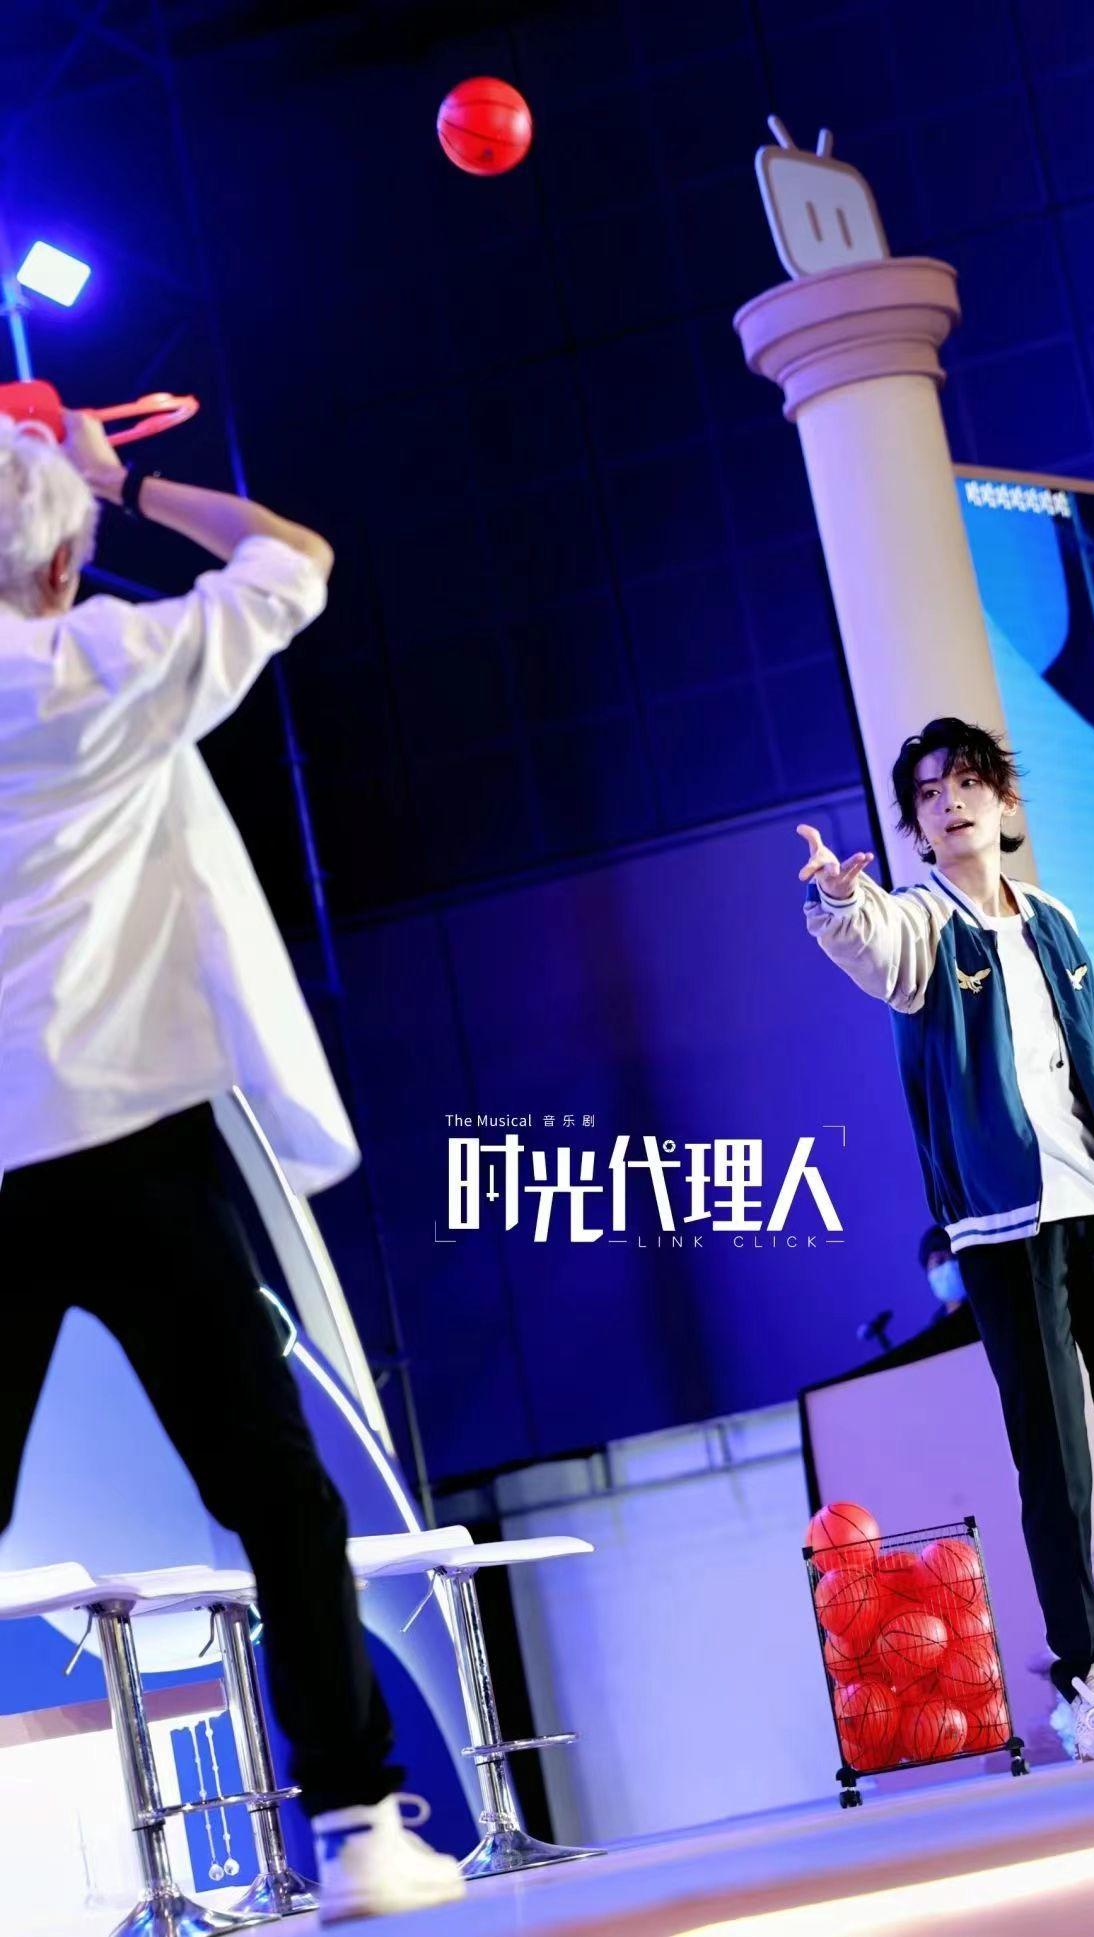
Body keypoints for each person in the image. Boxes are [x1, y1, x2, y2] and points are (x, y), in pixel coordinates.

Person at [0, 413, 463, 1923]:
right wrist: (119, 474)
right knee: (278, 1496)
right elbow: (295, 559)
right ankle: (357, 1829)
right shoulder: (113, 665)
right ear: (63, 561)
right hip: (141, 1143)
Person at [797, 716, 1094, 1760]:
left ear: (1003, 799)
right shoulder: (920, 924)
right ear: (918, 823)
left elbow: (1086, 1058)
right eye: (928, 792)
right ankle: (1090, 1685)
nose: (950, 801)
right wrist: (835, 899)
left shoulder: (1053, 921)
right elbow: (869, 946)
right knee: (1054, 1462)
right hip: (1002, 1225)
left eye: (967, 781)